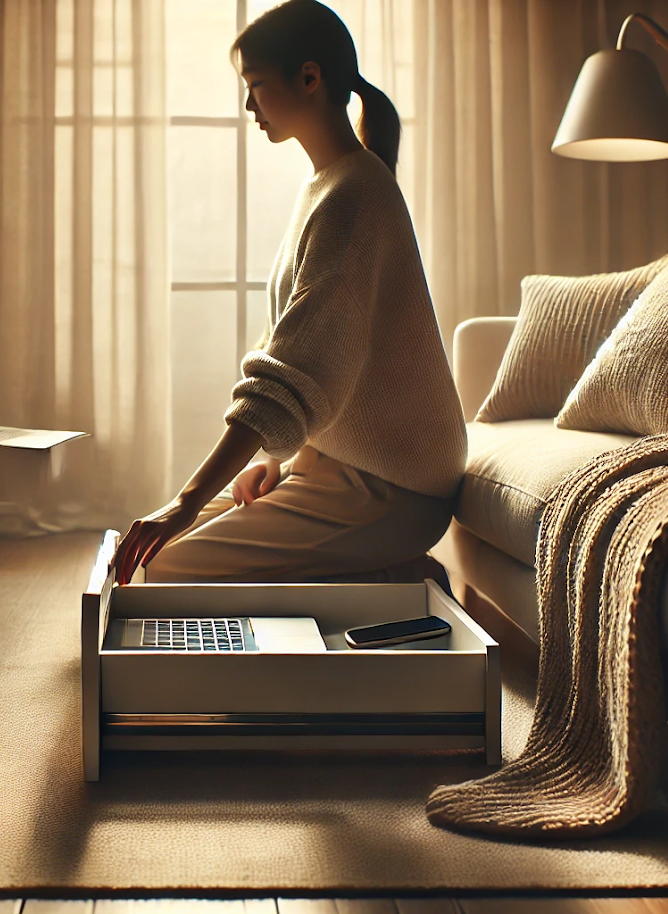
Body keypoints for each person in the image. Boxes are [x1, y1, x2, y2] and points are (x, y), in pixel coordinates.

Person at [111, 0, 467, 586]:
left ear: (309, 77)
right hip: (337, 466)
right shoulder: (328, 186)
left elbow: (296, 368)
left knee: (166, 569)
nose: (248, 104)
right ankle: (385, 571)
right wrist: (280, 460)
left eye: (255, 85)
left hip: (391, 487)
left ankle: (395, 573)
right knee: (156, 550)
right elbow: (311, 358)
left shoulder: (355, 196)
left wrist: (189, 497)